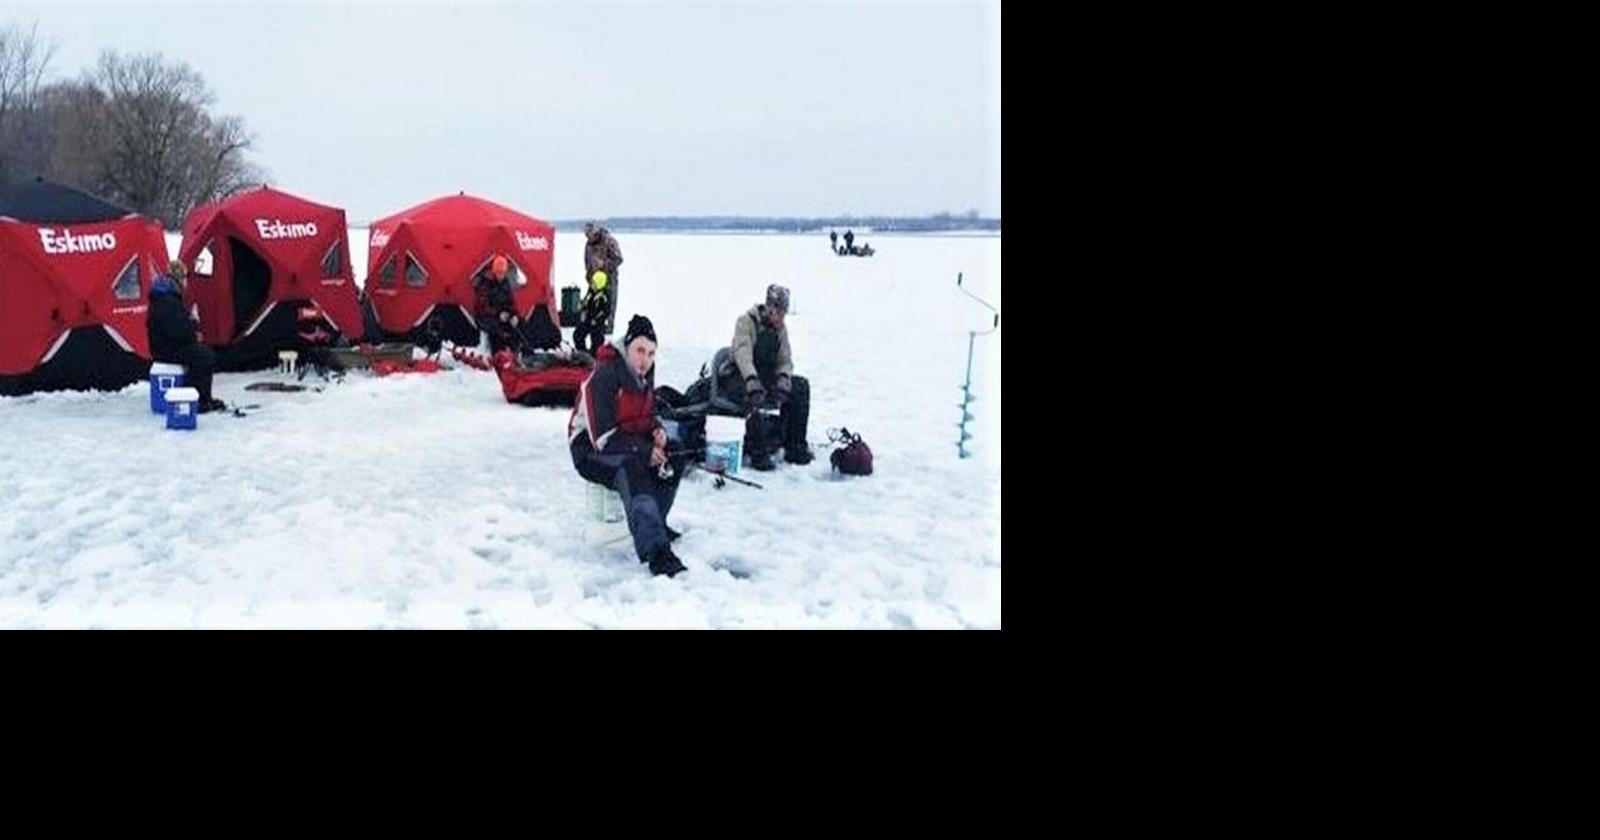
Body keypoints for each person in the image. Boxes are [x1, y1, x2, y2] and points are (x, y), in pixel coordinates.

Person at [568, 315, 687, 577]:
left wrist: (657, 431)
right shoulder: (605, 374)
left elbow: (644, 415)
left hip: (625, 438)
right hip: (589, 448)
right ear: (628, 347)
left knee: (676, 453)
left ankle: (656, 522)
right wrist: (645, 451)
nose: (645, 359)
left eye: (651, 353)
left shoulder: (644, 375)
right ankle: (656, 552)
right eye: (640, 351)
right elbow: (603, 438)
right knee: (632, 467)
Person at [720, 284, 813, 471]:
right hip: (740, 376)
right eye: (777, 312)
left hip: (765, 376)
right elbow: (743, 354)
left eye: (783, 313)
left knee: (801, 387)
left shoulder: (780, 330)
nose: (780, 318)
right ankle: (758, 452)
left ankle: (795, 445)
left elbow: (784, 358)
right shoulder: (746, 322)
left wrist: (784, 378)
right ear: (769, 308)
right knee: (753, 396)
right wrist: (751, 380)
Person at [147, 260, 225, 413]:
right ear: (180, 278)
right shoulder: (168, 300)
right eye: (185, 278)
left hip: (163, 344)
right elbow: (178, 331)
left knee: (202, 353)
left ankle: (203, 398)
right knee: (204, 356)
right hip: (165, 349)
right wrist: (194, 324)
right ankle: (196, 399)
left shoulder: (165, 296)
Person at [472, 254, 521, 352]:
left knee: (519, 325)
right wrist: (498, 313)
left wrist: (514, 314)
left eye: (503, 273)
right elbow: (482, 305)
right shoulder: (485, 283)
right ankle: (497, 354)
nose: (501, 275)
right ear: (494, 271)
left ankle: (518, 353)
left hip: (502, 315)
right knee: (496, 330)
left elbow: (511, 301)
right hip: (485, 316)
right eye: (499, 272)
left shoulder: (505, 282)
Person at [583, 220, 624, 333]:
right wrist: (588, 276)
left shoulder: (609, 241)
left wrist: (604, 264)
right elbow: (587, 262)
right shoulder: (588, 244)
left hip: (609, 280)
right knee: (592, 306)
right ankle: (593, 328)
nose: (588, 237)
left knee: (609, 306)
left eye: (590, 234)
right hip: (594, 280)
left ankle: (608, 331)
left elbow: (619, 259)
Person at [572, 269, 611, 356]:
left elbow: (606, 311)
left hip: (597, 323)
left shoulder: (603, 296)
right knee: (578, 334)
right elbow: (586, 303)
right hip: (588, 319)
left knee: (597, 339)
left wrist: (597, 320)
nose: (592, 284)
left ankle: (595, 355)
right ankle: (581, 353)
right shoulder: (591, 292)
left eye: (594, 283)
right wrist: (582, 306)